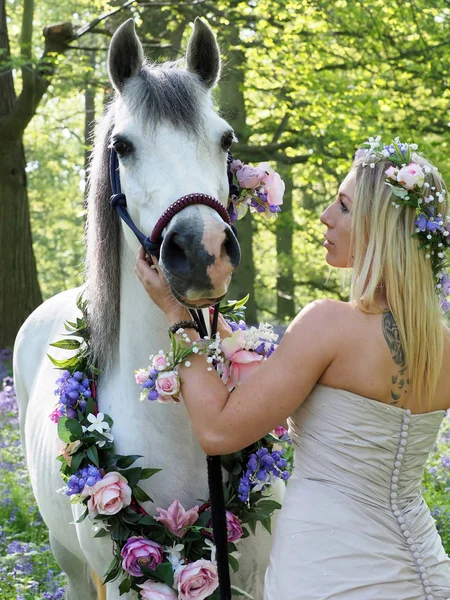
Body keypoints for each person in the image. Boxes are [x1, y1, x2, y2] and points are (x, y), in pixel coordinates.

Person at [135, 137, 450, 599]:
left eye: (343, 206)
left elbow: (219, 430)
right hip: (427, 570)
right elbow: (290, 378)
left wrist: (176, 315)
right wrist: (212, 316)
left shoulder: (328, 324)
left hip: (329, 571)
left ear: (380, 229)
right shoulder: (440, 344)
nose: (325, 216)